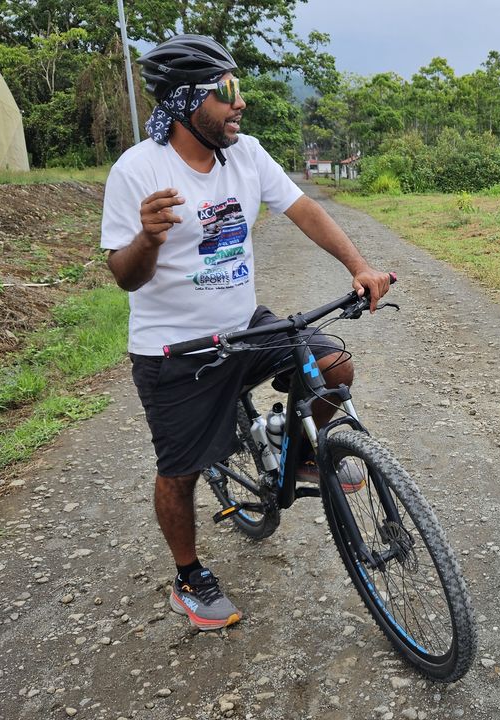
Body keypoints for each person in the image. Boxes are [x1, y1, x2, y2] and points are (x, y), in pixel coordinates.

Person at [100, 34, 392, 631]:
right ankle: (188, 576)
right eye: (226, 90)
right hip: (175, 349)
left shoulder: (247, 155)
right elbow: (125, 275)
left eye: (239, 88)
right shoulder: (138, 170)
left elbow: (305, 210)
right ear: (185, 102)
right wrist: (148, 239)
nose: (240, 103)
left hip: (244, 326)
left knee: (333, 365)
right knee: (179, 471)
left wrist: (358, 266)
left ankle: (302, 455)